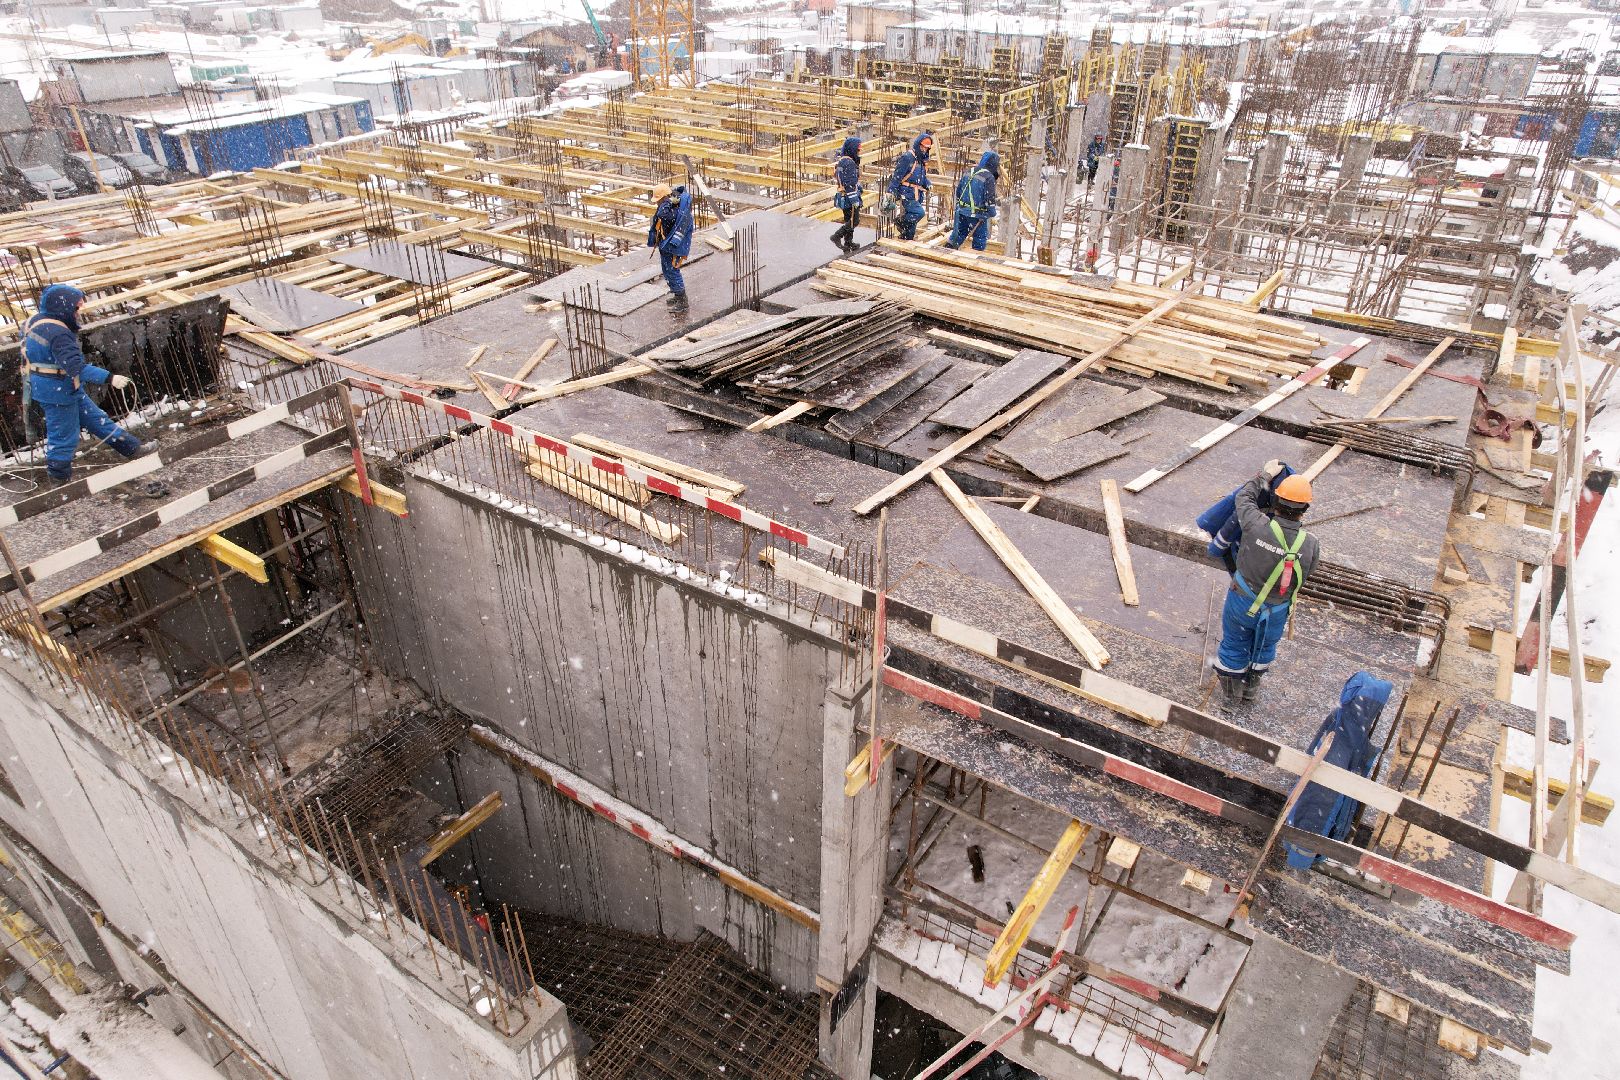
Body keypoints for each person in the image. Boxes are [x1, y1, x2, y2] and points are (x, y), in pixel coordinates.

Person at [22, 283, 152, 487]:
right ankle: (58, 480)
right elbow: (77, 368)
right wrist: (110, 378)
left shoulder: (36, 321)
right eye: (76, 308)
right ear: (63, 308)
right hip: (57, 392)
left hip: (57, 385)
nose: (78, 313)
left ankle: (132, 449)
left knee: (97, 420)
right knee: (64, 437)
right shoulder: (58, 333)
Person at [1213, 460, 1319, 703]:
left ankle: (1231, 697)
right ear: (1305, 509)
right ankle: (1251, 690)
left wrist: (1263, 476)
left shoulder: (1256, 525)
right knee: (1264, 647)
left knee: (1234, 643)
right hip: (1277, 609)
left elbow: (1243, 498)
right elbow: (1307, 572)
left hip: (1242, 601)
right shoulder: (1311, 543)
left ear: (1275, 502)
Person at [646, 182, 693, 310]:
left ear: (664, 198)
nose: (656, 203)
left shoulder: (672, 208)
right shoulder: (669, 205)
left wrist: (667, 203)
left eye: (658, 200)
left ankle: (683, 301)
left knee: (673, 271)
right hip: (666, 245)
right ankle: (677, 296)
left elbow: (663, 215)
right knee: (667, 271)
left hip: (672, 246)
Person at [944, 150, 999, 251]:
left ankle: (947, 251)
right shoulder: (989, 177)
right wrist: (991, 212)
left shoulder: (970, 171)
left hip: (962, 211)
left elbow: (959, 190)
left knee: (959, 233)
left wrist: (961, 206)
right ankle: (974, 260)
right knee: (980, 238)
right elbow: (989, 199)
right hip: (977, 215)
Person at [886, 131, 933, 241]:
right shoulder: (908, 157)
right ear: (918, 145)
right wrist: (890, 192)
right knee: (918, 213)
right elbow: (897, 176)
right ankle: (900, 221)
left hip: (916, 193)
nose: (924, 150)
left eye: (927, 148)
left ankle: (906, 238)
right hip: (906, 193)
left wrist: (927, 183)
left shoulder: (921, 160)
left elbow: (922, 177)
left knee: (912, 225)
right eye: (923, 147)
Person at [830, 136, 863, 251]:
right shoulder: (849, 163)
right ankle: (837, 236)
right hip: (849, 197)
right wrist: (855, 200)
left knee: (849, 218)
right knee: (855, 220)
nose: (859, 152)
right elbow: (849, 184)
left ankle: (848, 242)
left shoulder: (842, 161)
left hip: (843, 196)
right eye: (858, 150)